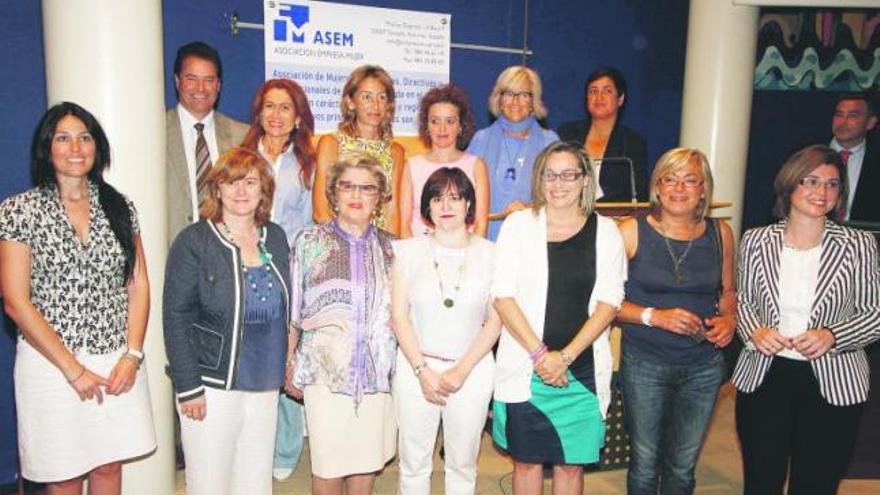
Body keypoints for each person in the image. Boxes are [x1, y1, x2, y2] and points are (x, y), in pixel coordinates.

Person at [0, 102, 155, 493]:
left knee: (108, 467)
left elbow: (138, 284)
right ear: (46, 148)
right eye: (63, 138)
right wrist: (72, 369)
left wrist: (132, 355)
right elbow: (15, 301)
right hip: (51, 366)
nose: (75, 148)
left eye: (84, 137)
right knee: (65, 475)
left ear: (96, 147)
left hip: (115, 360)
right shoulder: (20, 211)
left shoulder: (120, 206)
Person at [732, 144, 880, 494]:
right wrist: (755, 331)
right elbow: (741, 303)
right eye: (811, 181)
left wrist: (833, 334)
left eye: (831, 184)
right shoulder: (756, 240)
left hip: (834, 381)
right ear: (790, 185)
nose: (821, 192)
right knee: (761, 481)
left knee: (816, 483)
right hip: (765, 377)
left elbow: (874, 313)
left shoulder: (859, 244)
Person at [491, 141, 627, 494]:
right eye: (550, 175)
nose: (558, 183)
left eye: (569, 175)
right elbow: (503, 297)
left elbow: (609, 304)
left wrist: (564, 358)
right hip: (526, 365)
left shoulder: (607, 232)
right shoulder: (519, 225)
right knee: (526, 462)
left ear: (585, 180)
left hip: (579, 372)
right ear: (539, 179)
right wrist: (541, 356)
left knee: (570, 466)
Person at [163, 148, 291, 495]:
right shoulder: (194, 241)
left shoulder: (275, 237)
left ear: (264, 190)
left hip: (265, 381)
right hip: (211, 384)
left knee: (254, 482)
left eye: (250, 182)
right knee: (209, 483)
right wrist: (188, 387)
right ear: (216, 189)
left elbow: (287, 310)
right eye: (231, 182)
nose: (241, 191)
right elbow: (175, 316)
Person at [616, 148, 736, 494]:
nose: (679, 188)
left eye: (690, 180)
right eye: (670, 179)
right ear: (657, 186)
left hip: (704, 365)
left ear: (703, 189)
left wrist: (730, 318)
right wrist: (656, 317)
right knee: (644, 460)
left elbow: (729, 292)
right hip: (644, 363)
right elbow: (605, 303)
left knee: (682, 466)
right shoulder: (631, 231)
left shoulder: (721, 233)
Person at [287, 154, 397, 495]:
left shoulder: (394, 248)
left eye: (367, 188)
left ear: (379, 197)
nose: (357, 194)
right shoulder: (309, 242)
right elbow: (294, 310)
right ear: (333, 193)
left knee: (365, 468)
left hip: (377, 376)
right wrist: (288, 363)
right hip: (324, 374)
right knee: (328, 466)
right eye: (347, 186)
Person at [391, 168, 501, 494]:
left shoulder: (491, 254)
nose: (446, 206)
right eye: (437, 198)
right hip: (415, 368)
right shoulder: (406, 252)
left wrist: (461, 370)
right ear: (427, 207)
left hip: (473, 370)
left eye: (454, 197)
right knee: (413, 464)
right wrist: (422, 370)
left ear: (469, 203)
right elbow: (399, 316)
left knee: (463, 465)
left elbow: (495, 320)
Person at [240, 78, 317, 480]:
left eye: (285, 107)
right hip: (244, 268)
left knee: (285, 357)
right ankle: (253, 441)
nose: (276, 115)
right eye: (269, 106)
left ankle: (287, 445)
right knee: (250, 358)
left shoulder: (308, 164)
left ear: (298, 116)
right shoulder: (241, 156)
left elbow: (309, 223)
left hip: (287, 272)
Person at [166, 41, 249, 241]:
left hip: (227, 252)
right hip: (171, 251)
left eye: (209, 80)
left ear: (219, 85)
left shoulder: (242, 135)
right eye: (191, 79)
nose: (201, 88)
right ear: (177, 81)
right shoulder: (154, 132)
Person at [467, 66, 559, 240]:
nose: (515, 102)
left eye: (523, 95)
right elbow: (465, 196)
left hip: (531, 241)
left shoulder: (550, 142)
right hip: (484, 242)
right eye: (509, 94)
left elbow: (562, 199)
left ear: (534, 101)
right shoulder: (480, 140)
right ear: (499, 99)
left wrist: (531, 208)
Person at [312, 65, 405, 235]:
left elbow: (393, 213)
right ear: (350, 102)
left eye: (382, 97)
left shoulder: (395, 151)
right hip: (337, 245)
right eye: (367, 97)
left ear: (389, 105)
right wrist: (350, 246)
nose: (375, 105)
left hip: (378, 248)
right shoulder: (331, 144)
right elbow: (321, 211)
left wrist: (388, 252)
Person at [399, 85, 489, 238]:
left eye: (449, 121)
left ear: (461, 126)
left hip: (465, 256)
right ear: (426, 126)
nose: (442, 129)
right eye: (435, 121)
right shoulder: (412, 166)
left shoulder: (476, 166)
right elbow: (405, 225)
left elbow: (481, 224)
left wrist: (469, 259)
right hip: (421, 256)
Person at [557, 66, 648, 202]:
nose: (599, 97)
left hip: (614, 218)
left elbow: (639, 195)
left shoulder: (632, 142)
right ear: (586, 98)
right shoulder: (567, 134)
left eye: (607, 91)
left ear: (620, 99)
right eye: (593, 91)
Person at [829, 93, 878, 222]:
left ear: (870, 123)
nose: (842, 122)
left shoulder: (875, 162)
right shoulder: (808, 154)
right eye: (839, 115)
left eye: (852, 116)